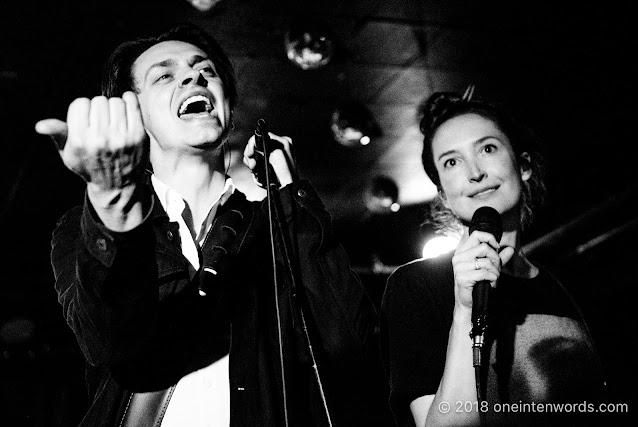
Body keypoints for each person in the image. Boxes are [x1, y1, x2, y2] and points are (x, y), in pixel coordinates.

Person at [35, 24, 385, 427]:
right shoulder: (89, 227)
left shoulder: (276, 227)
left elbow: (350, 344)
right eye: (164, 75)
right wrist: (115, 205)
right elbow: (107, 342)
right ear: (136, 114)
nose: (192, 76)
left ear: (228, 107)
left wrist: (291, 195)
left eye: (206, 70)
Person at [380, 90, 606, 427]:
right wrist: (465, 311)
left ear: (524, 164)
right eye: (451, 162)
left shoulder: (569, 284)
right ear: (442, 192)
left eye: (487, 148)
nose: (474, 172)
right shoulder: (415, 286)